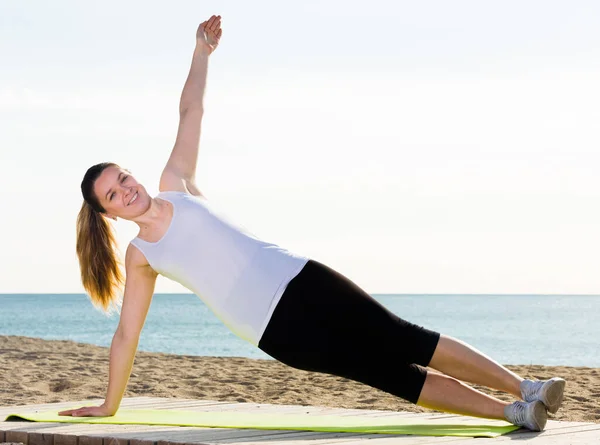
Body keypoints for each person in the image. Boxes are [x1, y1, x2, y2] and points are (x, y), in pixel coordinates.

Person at [59, 15, 565, 432]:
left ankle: (526, 388)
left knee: (405, 337)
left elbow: (190, 110)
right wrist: (109, 405)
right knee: (392, 375)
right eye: (113, 194)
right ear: (109, 213)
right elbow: (127, 334)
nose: (126, 189)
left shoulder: (177, 182)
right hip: (274, 330)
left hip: (300, 278)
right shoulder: (142, 255)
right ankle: (514, 413)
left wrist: (200, 53)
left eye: (122, 177)